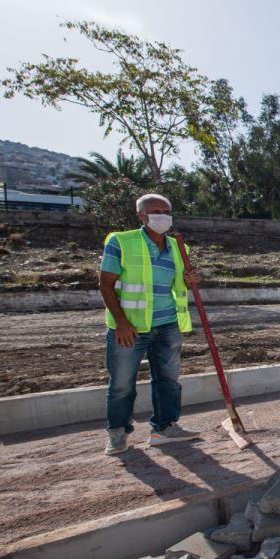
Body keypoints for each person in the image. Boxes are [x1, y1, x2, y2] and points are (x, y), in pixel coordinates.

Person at [100, 193, 202, 455]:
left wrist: (190, 279)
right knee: (122, 383)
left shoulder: (180, 248)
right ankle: (117, 433)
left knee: (168, 380)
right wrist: (121, 323)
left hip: (167, 324)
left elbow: (177, 286)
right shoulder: (122, 242)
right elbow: (106, 284)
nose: (162, 215)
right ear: (141, 216)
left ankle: (164, 428)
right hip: (130, 328)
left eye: (166, 211)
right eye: (155, 211)